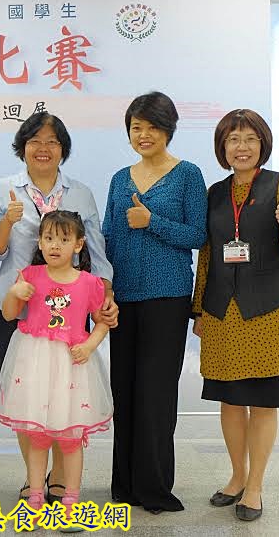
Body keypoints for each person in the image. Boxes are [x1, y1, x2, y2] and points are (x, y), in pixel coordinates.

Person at [0, 112, 118, 503]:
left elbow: (96, 250)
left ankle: (60, 479)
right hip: (20, 311)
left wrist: (106, 294)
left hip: (70, 313)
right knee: (27, 399)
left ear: (63, 149)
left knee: (66, 398)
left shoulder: (80, 193)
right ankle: (34, 481)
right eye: (35, 141)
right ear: (22, 147)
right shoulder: (3, 189)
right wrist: (8, 222)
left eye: (52, 142)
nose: (43, 149)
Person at [192, 109, 279, 521]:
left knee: (262, 401)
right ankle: (237, 476)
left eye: (250, 139)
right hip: (222, 312)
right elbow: (208, 254)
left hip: (267, 311)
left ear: (263, 144)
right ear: (222, 147)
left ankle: (255, 486)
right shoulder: (215, 193)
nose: (241, 147)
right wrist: (199, 309)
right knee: (230, 400)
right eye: (233, 139)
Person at [102, 91, 207, 513]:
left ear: (168, 129)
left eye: (152, 127)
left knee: (157, 394)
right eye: (136, 127)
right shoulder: (119, 178)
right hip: (123, 297)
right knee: (125, 390)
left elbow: (197, 235)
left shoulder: (187, 174)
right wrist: (105, 288)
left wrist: (152, 221)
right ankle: (125, 484)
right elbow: (108, 236)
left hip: (168, 297)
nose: (143, 135)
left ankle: (155, 487)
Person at [0, 210, 112, 531]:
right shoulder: (29, 275)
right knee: (38, 437)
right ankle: (35, 499)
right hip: (34, 363)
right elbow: (9, 314)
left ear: (79, 244)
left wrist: (90, 345)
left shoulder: (89, 283)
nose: (55, 245)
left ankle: (71, 502)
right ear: (40, 242)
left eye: (63, 239)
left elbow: (103, 321)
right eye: (48, 238)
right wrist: (14, 294)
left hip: (72, 366)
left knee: (71, 437)